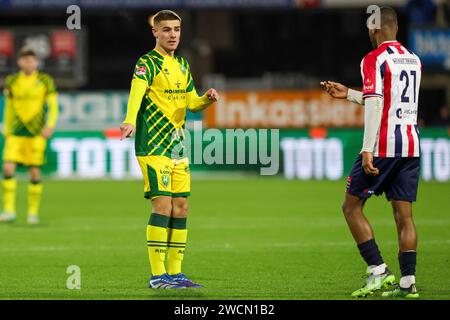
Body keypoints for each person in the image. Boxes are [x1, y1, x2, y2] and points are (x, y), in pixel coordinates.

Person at [321, 7, 422, 298]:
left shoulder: (373, 59)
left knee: (351, 207)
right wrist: (350, 94)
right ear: (397, 28)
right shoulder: (414, 60)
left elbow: (377, 105)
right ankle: (408, 282)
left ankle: (378, 270)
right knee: (404, 215)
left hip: (383, 146)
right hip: (410, 145)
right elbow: (389, 100)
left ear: (374, 29)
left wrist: (367, 149)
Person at [120, 10, 219, 289]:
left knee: (182, 206)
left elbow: (191, 103)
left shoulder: (183, 65)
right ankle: (157, 275)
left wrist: (207, 99)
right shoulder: (147, 63)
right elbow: (136, 93)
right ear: (155, 32)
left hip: (178, 147)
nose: (172, 34)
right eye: (166, 30)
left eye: (176, 29)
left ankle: (176, 274)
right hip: (152, 145)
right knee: (162, 204)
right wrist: (129, 120)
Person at [0, 48, 58, 225]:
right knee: (8, 168)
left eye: (32, 61)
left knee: (34, 172)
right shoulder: (12, 81)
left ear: (36, 63)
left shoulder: (45, 81)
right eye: (26, 61)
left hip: (36, 134)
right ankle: (9, 211)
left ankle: (33, 213)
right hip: (16, 134)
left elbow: (53, 105)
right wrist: (6, 127)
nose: (29, 64)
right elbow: (9, 106)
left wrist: (50, 126)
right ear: (20, 62)